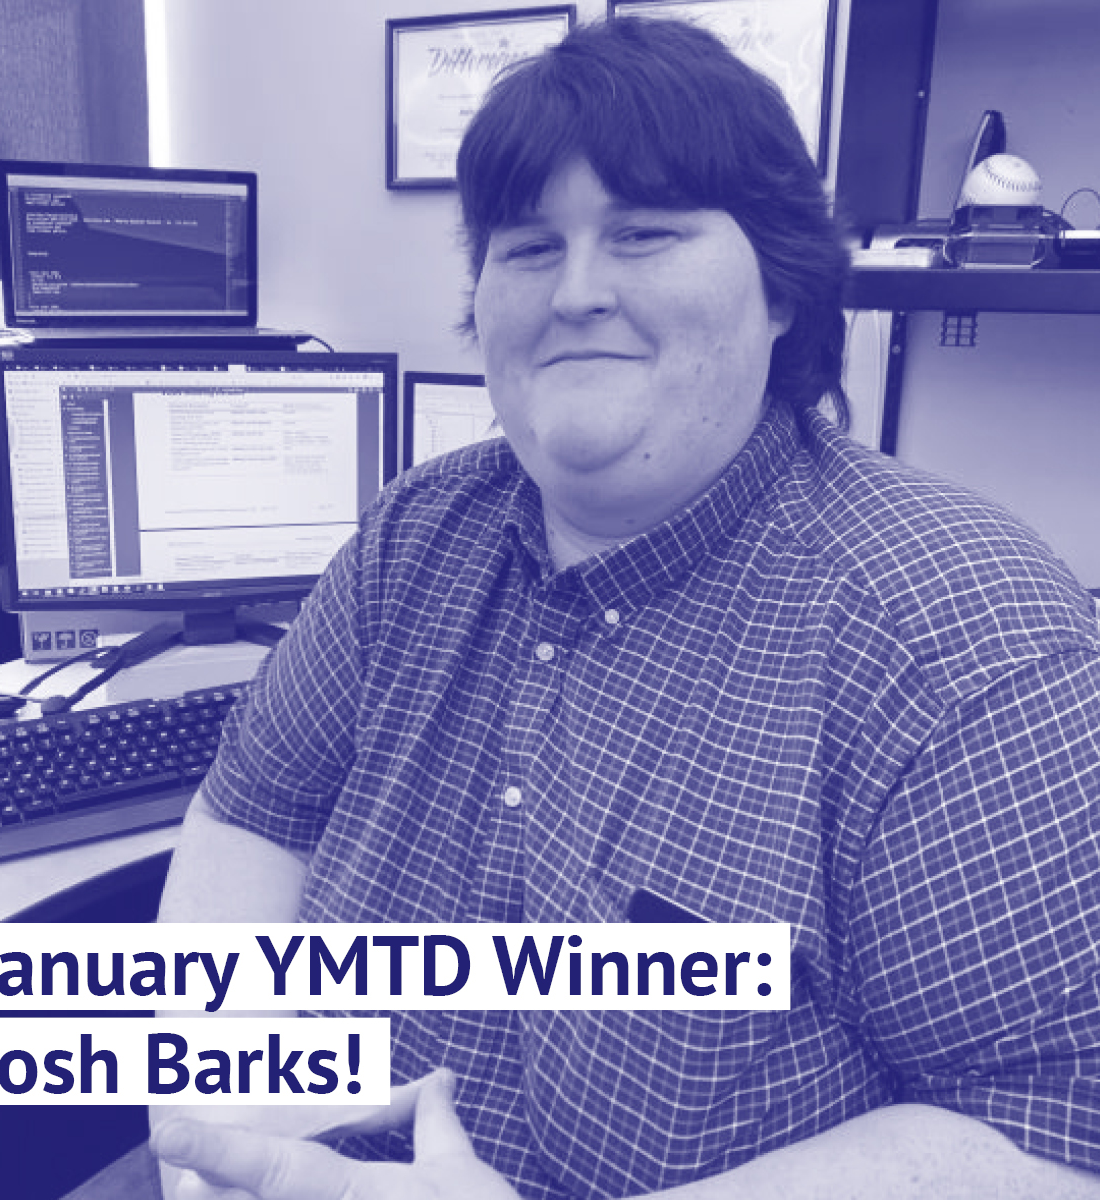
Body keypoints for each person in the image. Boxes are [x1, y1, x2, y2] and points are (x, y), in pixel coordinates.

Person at [144, 16, 1100, 1200]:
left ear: (783, 289)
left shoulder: (963, 645)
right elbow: (253, 814)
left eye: (645, 234)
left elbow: (1053, 1135)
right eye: (528, 246)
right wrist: (219, 1135)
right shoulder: (413, 538)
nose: (577, 292)